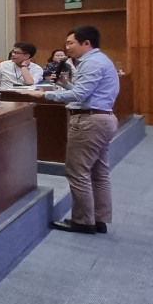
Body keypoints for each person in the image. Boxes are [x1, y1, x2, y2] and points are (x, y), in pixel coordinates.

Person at [21, 26, 120, 235]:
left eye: (70, 43)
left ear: (86, 43)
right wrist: (66, 85)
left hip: (89, 121)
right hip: (102, 118)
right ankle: (99, 219)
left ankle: (83, 221)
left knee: (78, 172)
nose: (67, 48)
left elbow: (81, 95)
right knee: (99, 173)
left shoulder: (91, 62)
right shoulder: (102, 60)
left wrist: (45, 96)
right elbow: (83, 92)